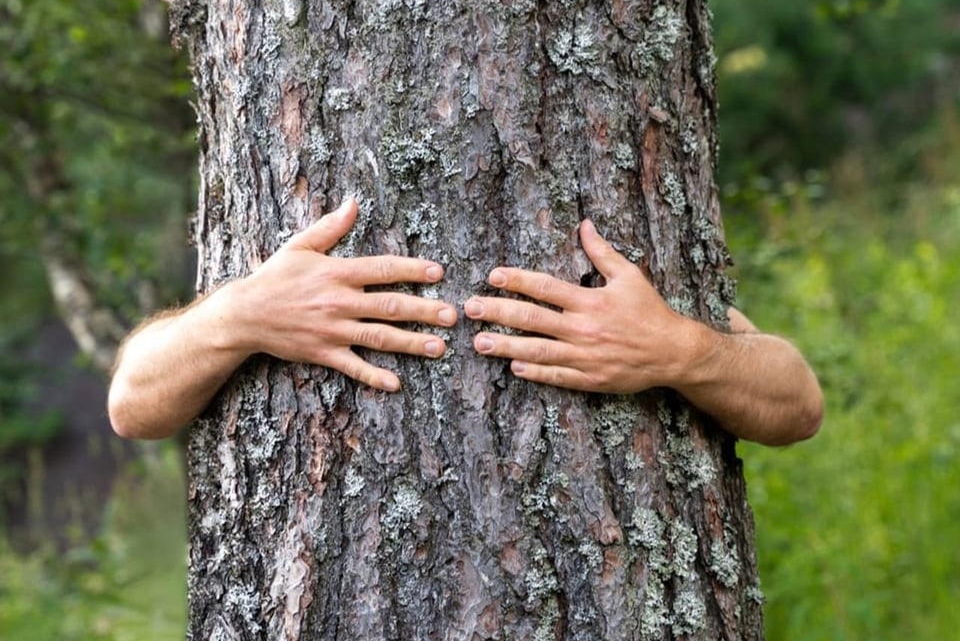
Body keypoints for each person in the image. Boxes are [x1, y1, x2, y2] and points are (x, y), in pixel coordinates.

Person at [107, 198, 823, 445]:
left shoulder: (634, 271)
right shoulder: (265, 279)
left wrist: (682, 350)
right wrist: (239, 314)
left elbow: (797, 404)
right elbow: (131, 401)